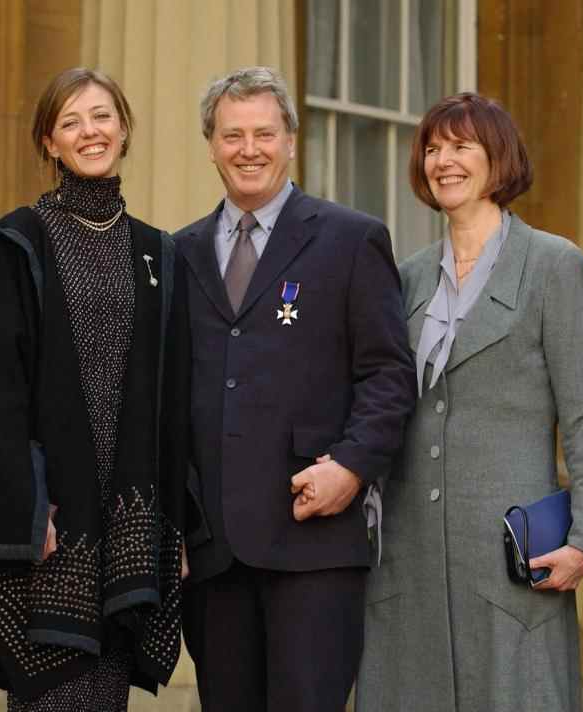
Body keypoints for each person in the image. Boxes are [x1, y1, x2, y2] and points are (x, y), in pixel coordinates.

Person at [356, 92, 583, 712]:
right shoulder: (407, 276)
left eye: (461, 146)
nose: (442, 161)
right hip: (408, 561)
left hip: (510, 563)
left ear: (498, 158)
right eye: (432, 148)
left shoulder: (555, 265)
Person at [0, 68, 186, 710]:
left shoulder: (158, 255)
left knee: (105, 695)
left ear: (124, 129)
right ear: (50, 142)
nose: (89, 132)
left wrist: (178, 523)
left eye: (101, 117)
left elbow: (174, 397)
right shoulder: (17, 245)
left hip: (128, 518)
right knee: (53, 693)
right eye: (70, 122)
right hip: (52, 522)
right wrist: (28, 502)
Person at [173, 66, 415, 712]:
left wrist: (354, 466)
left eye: (263, 133)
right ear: (211, 144)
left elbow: (388, 374)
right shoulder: (179, 254)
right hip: (213, 552)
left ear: (289, 141)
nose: (248, 149)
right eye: (231, 136)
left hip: (312, 541)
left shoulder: (349, 239)